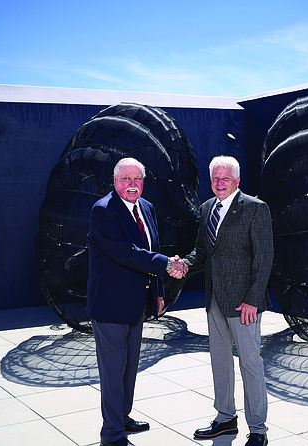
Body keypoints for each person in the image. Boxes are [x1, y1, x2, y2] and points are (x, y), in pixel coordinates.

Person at [87, 157, 186, 446]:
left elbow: (150, 249)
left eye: (138, 179)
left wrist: (157, 293)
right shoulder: (103, 211)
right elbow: (126, 253)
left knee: (129, 369)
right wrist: (168, 264)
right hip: (110, 306)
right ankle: (112, 433)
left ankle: (123, 417)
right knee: (113, 371)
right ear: (115, 181)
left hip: (136, 304)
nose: (132, 184)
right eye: (126, 179)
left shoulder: (148, 209)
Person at [182, 155, 274, 446]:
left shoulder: (255, 208)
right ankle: (225, 419)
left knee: (250, 363)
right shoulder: (207, 207)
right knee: (220, 362)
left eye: (225, 178)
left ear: (237, 180)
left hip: (244, 304)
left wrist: (253, 299)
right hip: (214, 300)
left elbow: (264, 257)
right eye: (215, 178)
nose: (219, 183)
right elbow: (202, 251)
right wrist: (184, 264)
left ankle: (258, 429)